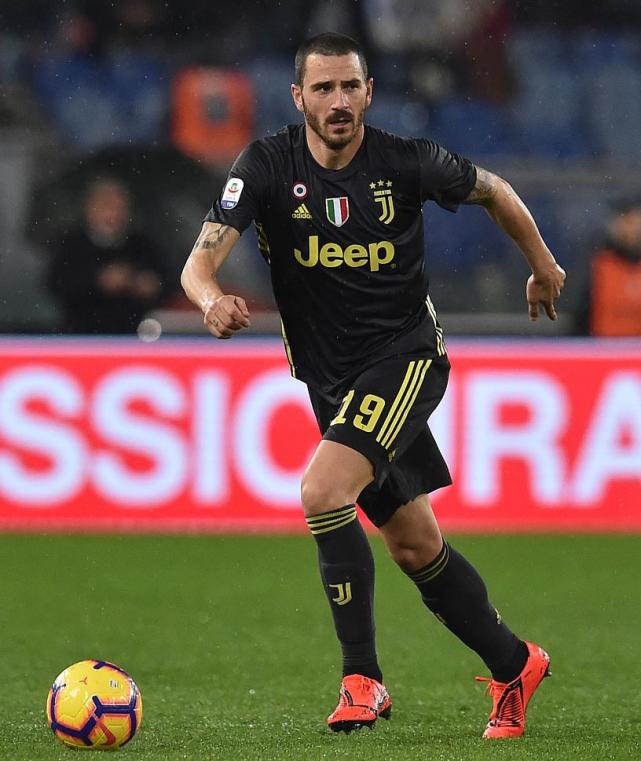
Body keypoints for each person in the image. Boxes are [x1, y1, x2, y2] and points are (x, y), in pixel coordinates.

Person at [181, 33, 566, 739]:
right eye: (322, 88)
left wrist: (542, 264)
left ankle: (362, 679)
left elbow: (495, 191)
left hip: (406, 358)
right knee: (414, 545)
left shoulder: (406, 161)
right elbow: (198, 265)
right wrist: (210, 300)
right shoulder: (266, 165)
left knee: (322, 492)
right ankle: (516, 664)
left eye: (349, 87)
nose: (338, 101)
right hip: (332, 379)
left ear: (368, 93)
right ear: (298, 97)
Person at [48, 177, 168, 334]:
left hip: (132, 334)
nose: (113, 213)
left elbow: (165, 284)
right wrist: (98, 281)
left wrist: (141, 284)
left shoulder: (141, 245)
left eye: (119, 207)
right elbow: (57, 283)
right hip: (79, 334)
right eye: (106, 205)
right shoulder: (72, 244)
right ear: (89, 208)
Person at [582, 196, 641, 336]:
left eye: (632, 221)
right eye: (623, 221)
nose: (628, 229)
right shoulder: (599, 266)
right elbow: (583, 317)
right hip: (605, 346)